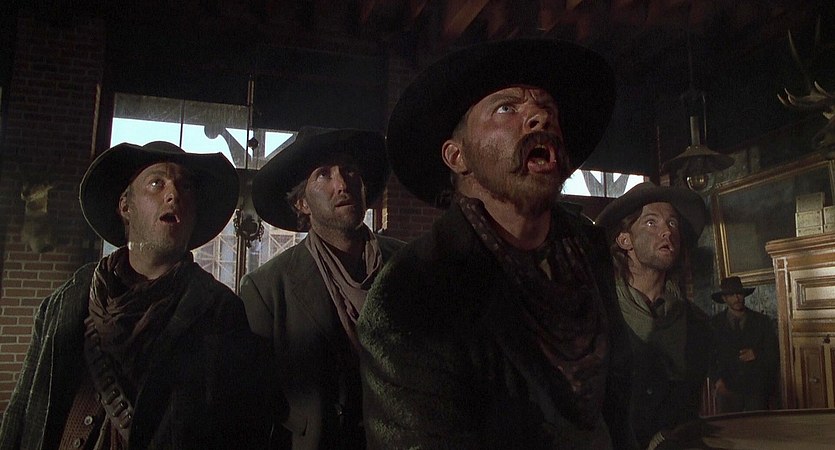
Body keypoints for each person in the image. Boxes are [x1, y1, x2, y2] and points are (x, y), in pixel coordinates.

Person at [357, 39, 636, 449]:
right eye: (507, 108)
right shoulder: (413, 290)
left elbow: (619, 402)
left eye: (548, 108)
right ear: (457, 157)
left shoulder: (588, 248)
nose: (540, 117)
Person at [0, 141, 279, 449]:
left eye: (185, 187)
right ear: (125, 207)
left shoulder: (221, 313)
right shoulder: (66, 302)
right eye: (156, 183)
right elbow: (24, 411)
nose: (173, 195)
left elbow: (242, 432)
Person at [239, 128, 405, 450]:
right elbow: (254, 407)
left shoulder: (407, 265)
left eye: (349, 170)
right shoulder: (268, 288)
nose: (342, 184)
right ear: (302, 202)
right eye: (324, 175)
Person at [596, 181, 712, 449]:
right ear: (625, 240)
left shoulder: (696, 323)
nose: (667, 232)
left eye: (672, 224)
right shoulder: (599, 313)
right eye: (651, 222)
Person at [709, 276, 779, 413]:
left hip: (756, 389)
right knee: (729, 425)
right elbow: (708, 356)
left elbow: (774, 352)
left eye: (739, 294)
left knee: (757, 423)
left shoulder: (761, 321)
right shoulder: (715, 324)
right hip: (727, 388)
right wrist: (716, 380)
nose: (737, 298)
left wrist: (756, 354)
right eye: (731, 295)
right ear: (724, 298)